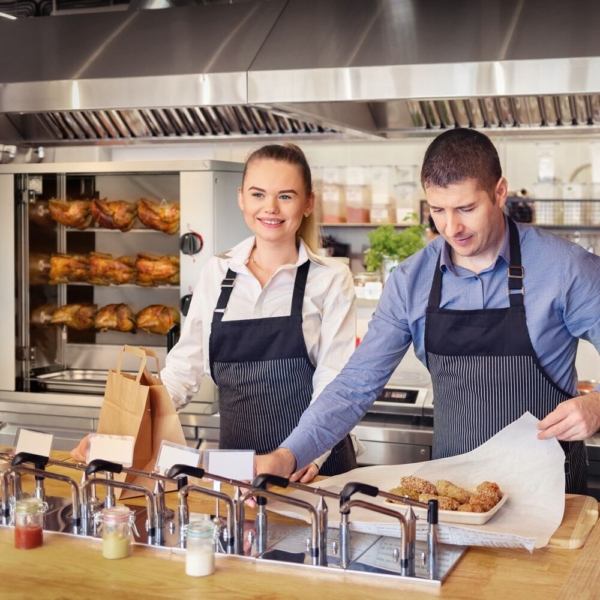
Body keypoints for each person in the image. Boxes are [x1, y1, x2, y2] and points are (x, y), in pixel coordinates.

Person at [255, 128, 600, 494]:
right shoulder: (411, 280)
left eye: (466, 208)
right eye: (438, 210)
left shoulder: (566, 268)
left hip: (550, 493)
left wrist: (596, 406)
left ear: (499, 192)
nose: (452, 227)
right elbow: (355, 386)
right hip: (455, 496)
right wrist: (288, 455)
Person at [160, 143, 358, 482]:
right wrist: (129, 425)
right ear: (241, 198)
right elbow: (182, 370)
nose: (270, 208)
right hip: (237, 472)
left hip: (311, 471)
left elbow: (334, 380)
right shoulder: (216, 273)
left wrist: (310, 450)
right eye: (258, 194)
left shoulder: (331, 278)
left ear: (308, 202)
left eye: (285, 196)